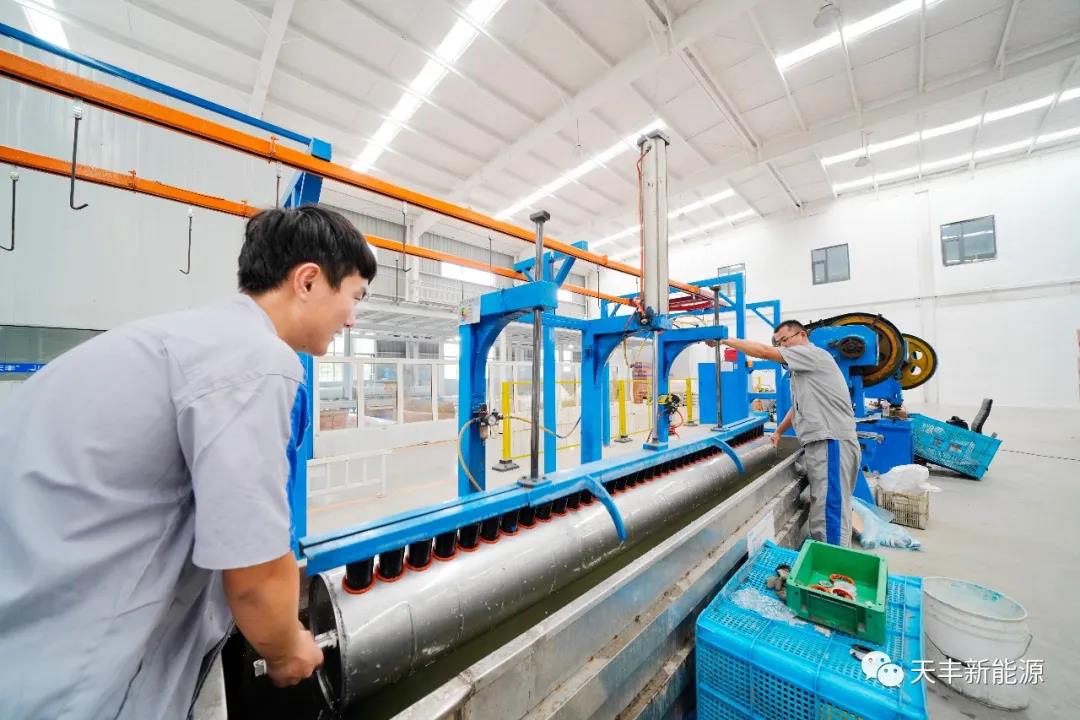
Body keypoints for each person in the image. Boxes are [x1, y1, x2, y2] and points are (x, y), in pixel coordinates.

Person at [0, 206, 377, 719]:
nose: (352, 319)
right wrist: (288, 648)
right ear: (308, 280)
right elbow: (254, 571)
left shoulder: (176, 341)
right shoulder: (256, 360)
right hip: (73, 683)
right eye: (355, 296)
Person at [718, 320, 860, 547]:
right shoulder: (803, 370)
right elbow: (797, 407)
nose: (782, 346)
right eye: (779, 343)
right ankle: (828, 555)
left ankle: (832, 563)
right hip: (825, 442)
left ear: (802, 335)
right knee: (826, 506)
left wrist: (724, 339)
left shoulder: (811, 354)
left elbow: (764, 352)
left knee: (829, 512)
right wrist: (778, 432)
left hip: (831, 442)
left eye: (785, 340)